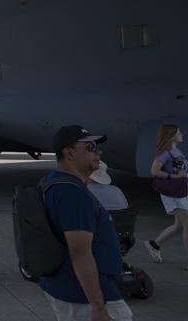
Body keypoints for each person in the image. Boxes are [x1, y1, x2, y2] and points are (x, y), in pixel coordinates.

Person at [37, 125, 128, 321]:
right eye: (91, 147)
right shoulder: (73, 194)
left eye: (98, 147)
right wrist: (98, 307)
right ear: (69, 153)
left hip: (66, 286)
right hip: (83, 296)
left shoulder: (54, 182)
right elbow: (80, 252)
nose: (99, 152)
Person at [145, 124, 188, 264]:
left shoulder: (176, 151)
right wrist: (173, 177)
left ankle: (154, 245)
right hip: (174, 194)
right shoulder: (164, 153)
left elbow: (180, 171)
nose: (182, 135)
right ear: (171, 136)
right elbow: (154, 171)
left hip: (181, 191)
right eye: (179, 133)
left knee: (179, 226)